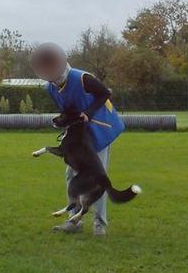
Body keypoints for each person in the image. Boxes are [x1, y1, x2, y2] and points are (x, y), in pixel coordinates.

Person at [31, 43, 124, 236]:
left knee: (97, 177)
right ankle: (74, 221)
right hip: (79, 134)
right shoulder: (51, 87)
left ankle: (99, 224)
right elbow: (67, 110)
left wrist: (88, 113)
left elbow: (105, 93)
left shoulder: (82, 78)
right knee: (70, 174)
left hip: (100, 130)